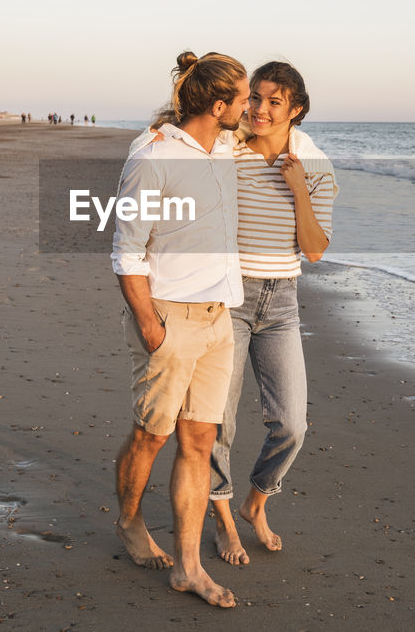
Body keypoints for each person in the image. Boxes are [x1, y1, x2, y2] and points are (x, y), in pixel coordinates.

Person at [111, 50, 250, 608]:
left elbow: (273, 137)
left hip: (220, 320)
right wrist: (151, 326)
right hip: (170, 318)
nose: (250, 108)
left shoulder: (224, 147)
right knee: (152, 435)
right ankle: (128, 521)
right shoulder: (153, 157)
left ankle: (188, 567)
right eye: (244, 100)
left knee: (200, 441)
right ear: (219, 106)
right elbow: (126, 250)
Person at [208, 61, 337, 566]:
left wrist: (299, 189)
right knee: (220, 422)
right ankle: (221, 521)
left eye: (274, 102)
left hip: (281, 300)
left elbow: (316, 249)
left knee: (292, 424)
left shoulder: (317, 165)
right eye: (255, 98)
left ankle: (255, 501)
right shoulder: (225, 151)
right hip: (229, 298)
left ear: (296, 110)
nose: (260, 109)